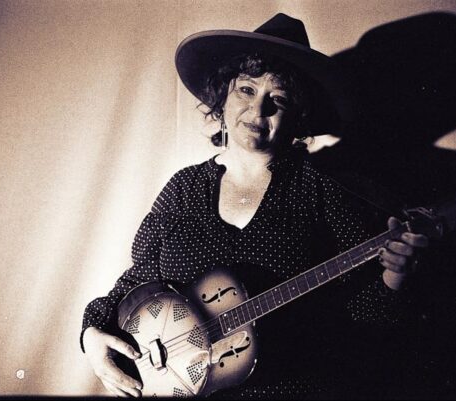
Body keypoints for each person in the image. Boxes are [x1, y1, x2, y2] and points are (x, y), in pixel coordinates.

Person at [81, 13, 429, 399]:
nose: (258, 111)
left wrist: (395, 275)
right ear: (222, 96)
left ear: (298, 116)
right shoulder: (183, 189)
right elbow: (138, 282)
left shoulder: (323, 191)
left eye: (278, 99)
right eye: (246, 89)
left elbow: (366, 316)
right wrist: (91, 334)